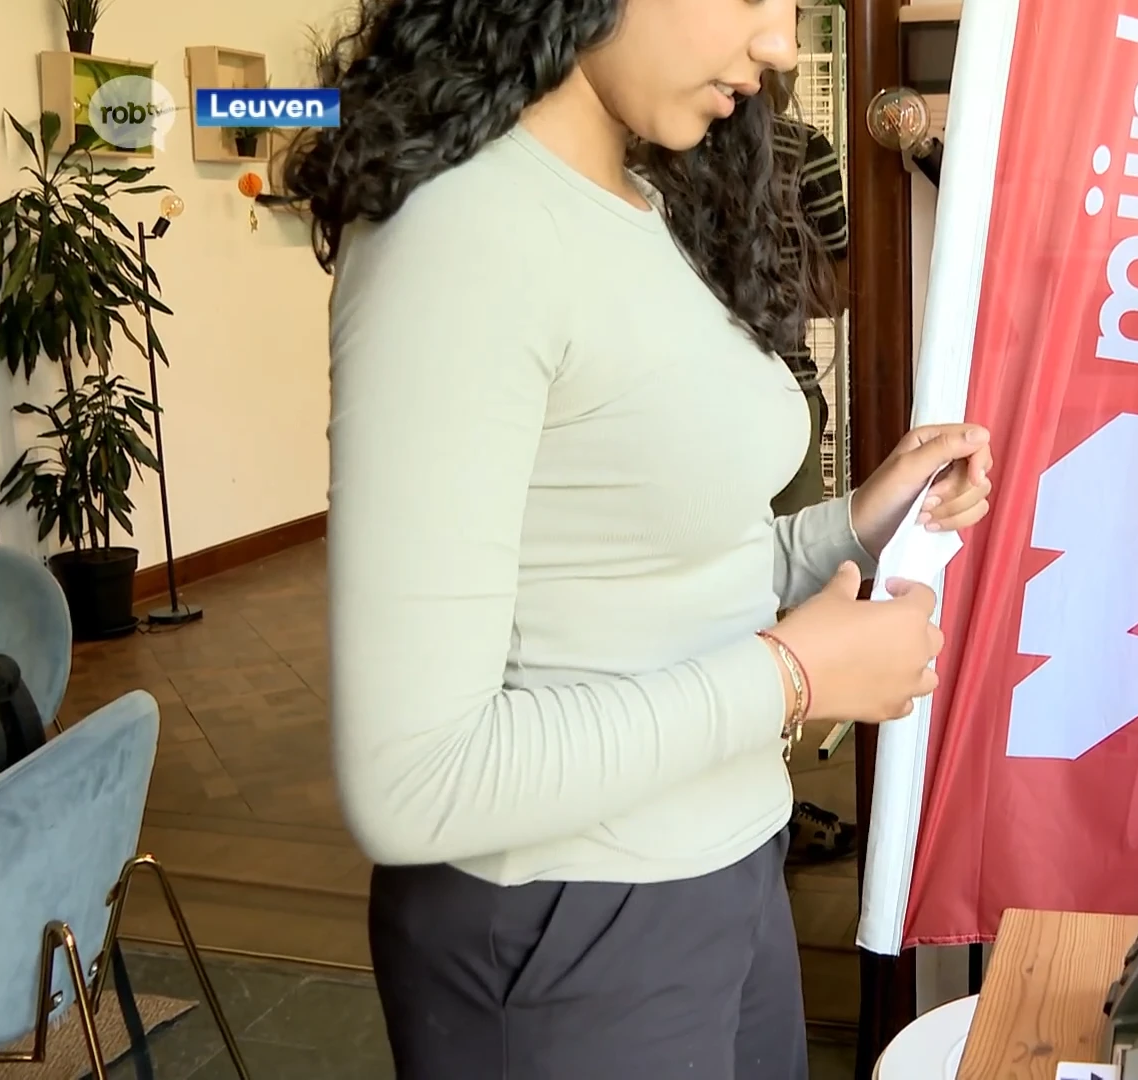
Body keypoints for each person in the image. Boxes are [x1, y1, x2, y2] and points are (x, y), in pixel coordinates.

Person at [281, 2, 994, 1077]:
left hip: (725, 862)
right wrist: (796, 678)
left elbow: (667, 567)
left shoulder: (650, 200)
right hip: (566, 918)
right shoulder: (462, 236)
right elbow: (411, 782)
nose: (778, 45)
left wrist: (857, 522)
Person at [767, 72, 862, 865]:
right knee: (785, 603)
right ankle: (772, 805)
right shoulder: (805, 148)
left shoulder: (640, 155)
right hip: (785, 388)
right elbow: (841, 282)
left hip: (678, 402)